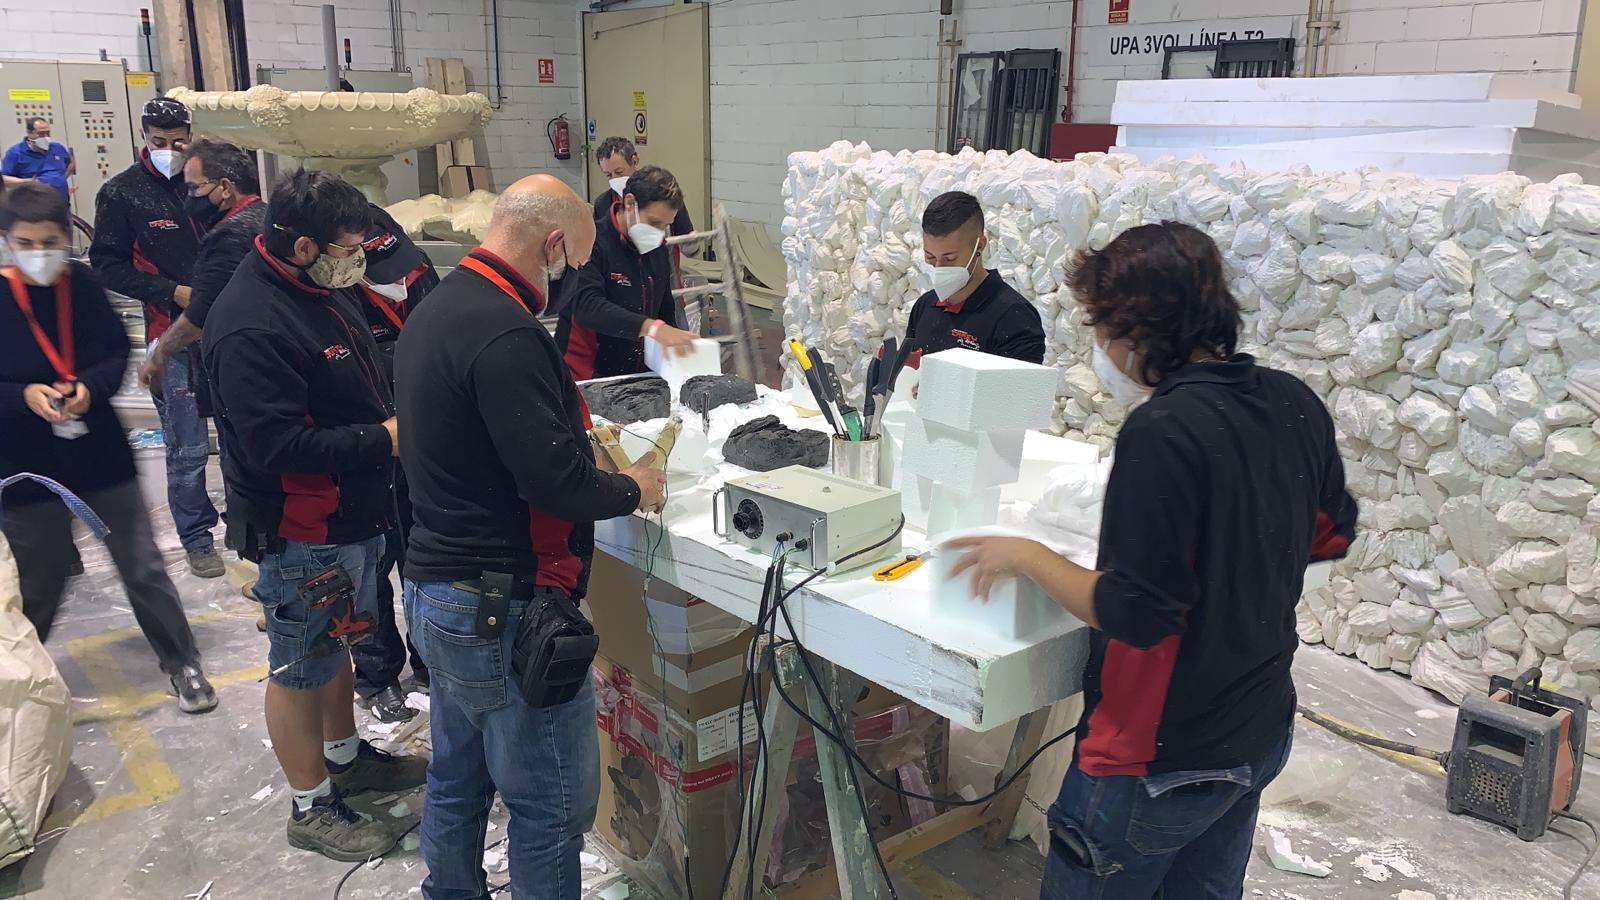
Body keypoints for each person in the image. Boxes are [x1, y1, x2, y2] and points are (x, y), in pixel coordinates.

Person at [942, 222, 1358, 900]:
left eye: (1101, 327)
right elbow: (1329, 538)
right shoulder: (1293, 401)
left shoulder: (1163, 431)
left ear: (1136, 330)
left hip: (1157, 759)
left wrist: (1031, 556)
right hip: (1256, 729)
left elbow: (1136, 610)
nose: (1099, 348)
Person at [396, 174, 666, 899]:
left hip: (435, 587)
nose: (569, 279)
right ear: (550, 244)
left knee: (458, 775)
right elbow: (555, 484)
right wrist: (632, 486)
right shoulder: (507, 333)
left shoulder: (437, 308)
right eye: (571, 262)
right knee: (548, 804)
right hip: (501, 603)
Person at [203, 169, 424, 861]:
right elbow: (273, 447)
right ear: (303, 245)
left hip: (350, 516)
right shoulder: (250, 323)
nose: (360, 259)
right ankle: (310, 806)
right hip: (300, 525)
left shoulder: (317, 290)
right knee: (299, 664)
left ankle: (346, 758)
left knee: (338, 644)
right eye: (350, 247)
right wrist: (382, 439)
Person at [0, 183, 215, 712]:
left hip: (99, 456)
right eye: (25, 243)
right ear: (7, 241)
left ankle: (182, 662)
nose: (38, 254)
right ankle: (23, 683)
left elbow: (115, 352)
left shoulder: (85, 287)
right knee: (40, 576)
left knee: (140, 564)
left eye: (48, 242)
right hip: (27, 466)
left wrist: (88, 390)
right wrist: (23, 395)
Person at [90, 98, 224, 579]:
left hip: (224, 331)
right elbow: (107, 264)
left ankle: (249, 527)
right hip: (172, 333)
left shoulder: (208, 183)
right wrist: (172, 291)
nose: (171, 150)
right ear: (144, 137)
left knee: (235, 437)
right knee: (186, 445)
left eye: (179, 141)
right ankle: (196, 536)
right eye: (160, 142)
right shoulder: (123, 194)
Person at [347, 204, 439, 722]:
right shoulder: (332, 286)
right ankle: (377, 673)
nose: (399, 284)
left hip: (420, 436)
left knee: (420, 550)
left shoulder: (415, 264)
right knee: (370, 567)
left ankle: (429, 659)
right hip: (363, 443)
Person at [138, 138, 265, 394]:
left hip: (249, 369)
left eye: (195, 188)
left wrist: (159, 354)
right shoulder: (265, 215)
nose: (190, 198)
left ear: (226, 188)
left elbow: (201, 313)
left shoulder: (229, 236)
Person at [556, 165, 698, 380]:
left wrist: (677, 343)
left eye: (665, 226)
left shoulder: (657, 249)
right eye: (654, 223)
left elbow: (665, 307)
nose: (659, 232)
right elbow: (587, 305)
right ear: (630, 203)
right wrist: (652, 328)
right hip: (588, 374)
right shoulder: (591, 241)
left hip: (636, 375)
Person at [900, 190, 1045, 371]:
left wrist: (940, 389)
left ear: (980, 246)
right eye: (930, 257)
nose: (938, 267)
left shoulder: (1014, 317)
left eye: (950, 258)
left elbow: (1019, 393)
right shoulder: (924, 306)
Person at [590, 136, 693, 236]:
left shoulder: (663, 193)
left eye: (619, 172)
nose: (614, 179)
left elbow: (687, 238)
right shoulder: (602, 204)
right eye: (608, 175)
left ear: (634, 161)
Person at [2, 118, 74, 204]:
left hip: (61, 204)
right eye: (41, 134)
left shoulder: (57, 147)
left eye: (48, 133)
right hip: (34, 206)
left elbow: (70, 163)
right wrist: (30, 182)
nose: (46, 137)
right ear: (29, 133)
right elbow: (4, 179)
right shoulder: (16, 152)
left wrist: (61, 178)